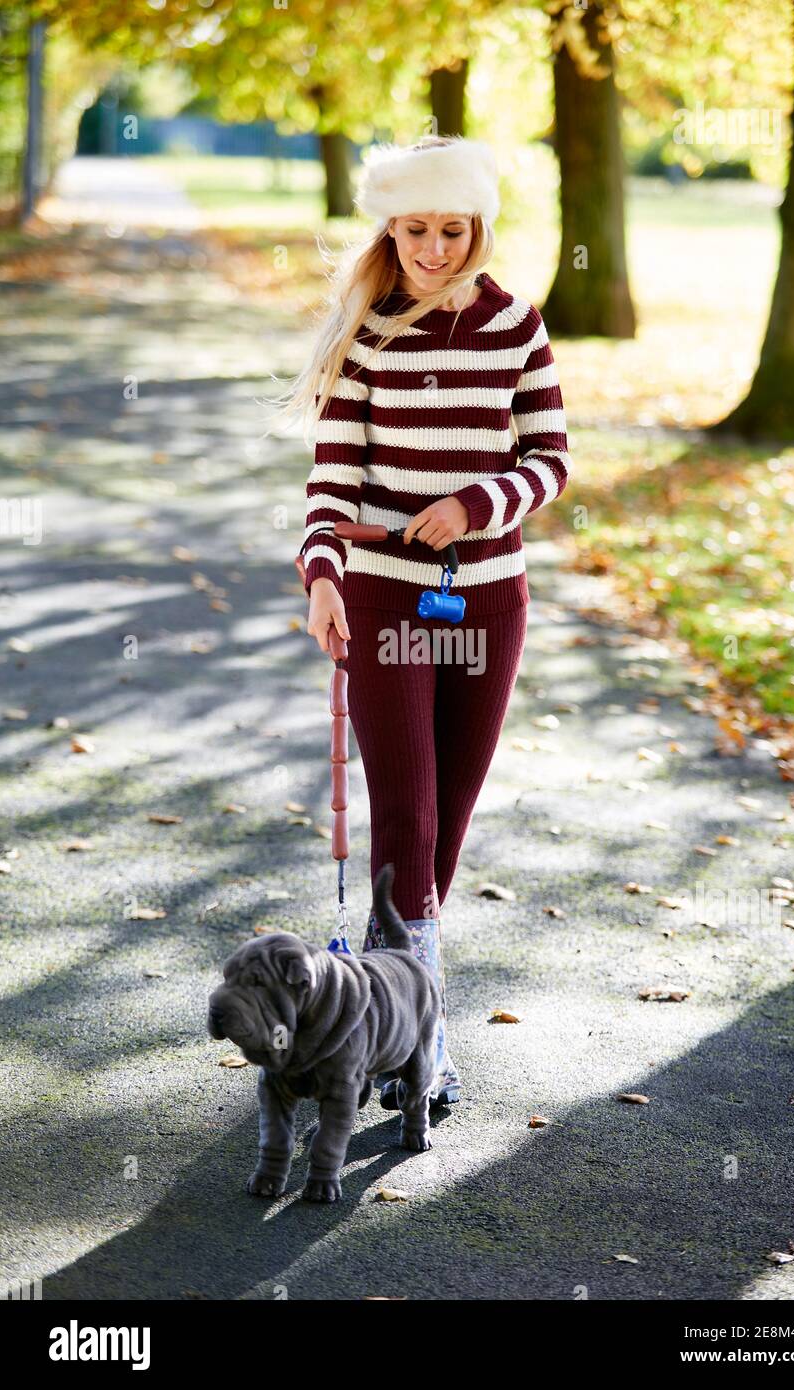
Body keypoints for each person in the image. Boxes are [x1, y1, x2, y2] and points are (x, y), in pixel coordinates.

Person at [285, 135, 573, 1110]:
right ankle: (426, 1041)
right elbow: (332, 475)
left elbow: (549, 457)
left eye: (452, 229)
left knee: (443, 826)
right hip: (378, 592)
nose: (433, 247)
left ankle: (374, 1013)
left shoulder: (516, 327)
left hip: (485, 596)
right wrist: (322, 573)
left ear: (478, 227)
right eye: (414, 229)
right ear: (390, 226)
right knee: (404, 815)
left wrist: (478, 502)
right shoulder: (366, 332)